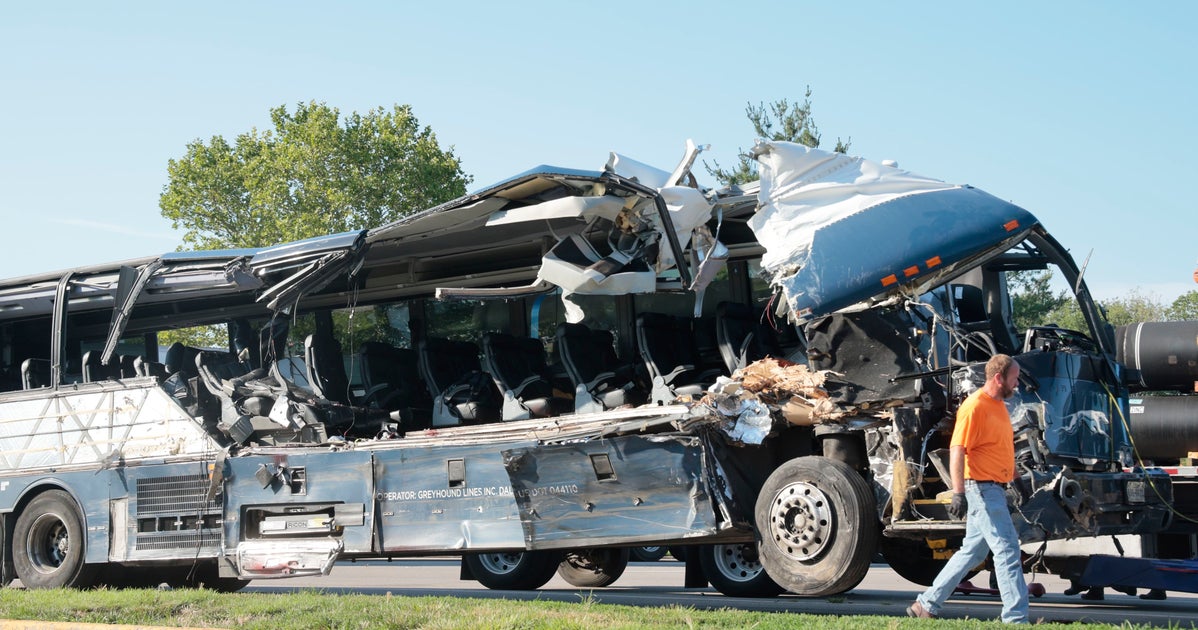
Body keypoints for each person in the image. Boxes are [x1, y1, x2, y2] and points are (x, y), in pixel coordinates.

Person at [907, 354, 1030, 623]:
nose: (1017, 383)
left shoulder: (999, 407)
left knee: (973, 552)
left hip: (995, 487)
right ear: (999, 378)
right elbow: (957, 449)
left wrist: (1017, 479)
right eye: (1014, 378)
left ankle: (925, 605)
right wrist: (959, 492)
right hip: (982, 490)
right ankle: (1016, 619)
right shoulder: (974, 407)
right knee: (1007, 549)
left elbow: (1002, 450)